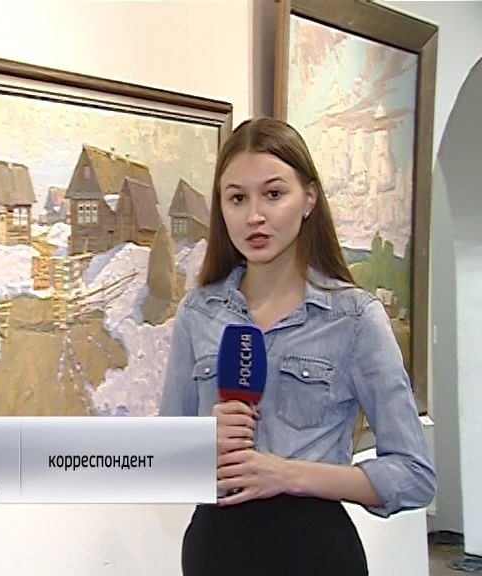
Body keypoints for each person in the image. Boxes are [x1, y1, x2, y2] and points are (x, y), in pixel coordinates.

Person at [159, 117, 435, 576]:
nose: (254, 216)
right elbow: (159, 465)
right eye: (237, 198)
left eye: (273, 194)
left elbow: (414, 475)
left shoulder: (354, 318)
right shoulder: (198, 313)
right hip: (214, 552)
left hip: (315, 553)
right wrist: (200, 441)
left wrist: (287, 475)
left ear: (308, 198)